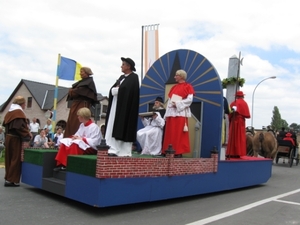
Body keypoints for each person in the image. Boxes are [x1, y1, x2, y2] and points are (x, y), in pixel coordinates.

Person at [105, 57, 140, 157]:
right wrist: (115, 90)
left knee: (122, 126)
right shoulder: (121, 77)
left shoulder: (134, 78)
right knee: (113, 125)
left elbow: (128, 91)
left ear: (128, 66)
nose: (121, 66)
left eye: (123, 64)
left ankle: (121, 150)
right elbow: (113, 89)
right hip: (116, 106)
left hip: (125, 108)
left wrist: (118, 90)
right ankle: (111, 147)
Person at [162, 69, 195, 158]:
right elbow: (169, 101)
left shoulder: (188, 86)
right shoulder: (173, 87)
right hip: (171, 112)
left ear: (181, 76)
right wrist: (166, 113)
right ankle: (168, 150)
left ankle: (178, 151)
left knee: (178, 133)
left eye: (176, 75)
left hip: (180, 113)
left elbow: (189, 100)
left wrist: (177, 104)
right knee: (170, 132)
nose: (174, 77)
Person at [2, 96, 32, 187]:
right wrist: (27, 134)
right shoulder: (18, 113)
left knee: (9, 158)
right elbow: (18, 127)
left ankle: (8, 177)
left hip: (8, 137)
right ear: (21, 104)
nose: (25, 105)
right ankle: (11, 180)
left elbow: (6, 125)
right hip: (15, 139)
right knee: (15, 158)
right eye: (24, 103)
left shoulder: (10, 112)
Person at [64, 67, 98, 138]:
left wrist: (71, 91)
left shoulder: (89, 83)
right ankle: (69, 138)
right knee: (71, 122)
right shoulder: (82, 82)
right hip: (76, 104)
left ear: (87, 73)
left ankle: (76, 137)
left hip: (81, 105)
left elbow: (76, 92)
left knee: (76, 122)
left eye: (82, 72)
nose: (80, 73)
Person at [226, 90, 251, 158]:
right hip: (241, 122)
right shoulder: (245, 103)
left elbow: (229, 112)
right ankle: (239, 152)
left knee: (233, 136)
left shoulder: (234, 103)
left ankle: (231, 152)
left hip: (234, 121)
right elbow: (247, 115)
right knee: (240, 137)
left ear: (236, 96)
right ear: (242, 96)